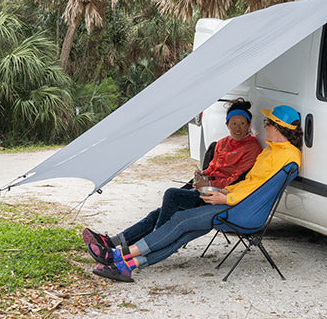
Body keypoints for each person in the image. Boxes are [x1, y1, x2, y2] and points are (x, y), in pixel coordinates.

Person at [87, 105, 304, 282]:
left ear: (278, 128)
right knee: (185, 231)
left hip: (244, 212)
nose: (264, 127)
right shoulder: (271, 151)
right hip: (236, 201)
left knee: (181, 219)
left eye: (267, 123)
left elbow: (259, 191)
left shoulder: (288, 158)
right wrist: (226, 190)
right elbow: (250, 182)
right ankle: (128, 266)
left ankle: (119, 254)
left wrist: (226, 198)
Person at [81, 100, 261, 262]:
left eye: (242, 123)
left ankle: (152, 239)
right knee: (158, 212)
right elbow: (212, 169)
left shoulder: (251, 147)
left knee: (171, 195)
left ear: (249, 125)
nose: (238, 128)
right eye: (234, 123)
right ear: (227, 124)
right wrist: (201, 175)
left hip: (218, 195)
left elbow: (236, 178)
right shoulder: (222, 143)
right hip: (204, 190)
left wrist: (210, 185)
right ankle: (114, 241)